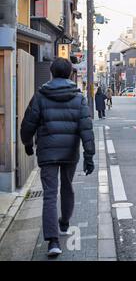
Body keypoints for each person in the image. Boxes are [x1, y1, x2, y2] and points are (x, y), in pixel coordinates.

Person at [20, 57, 95, 257]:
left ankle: (53, 241)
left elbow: (28, 124)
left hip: (47, 152)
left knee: (50, 195)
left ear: (52, 73)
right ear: (71, 73)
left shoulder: (40, 96)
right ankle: (64, 222)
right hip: (70, 152)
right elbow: (86, 128)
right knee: (68, 186)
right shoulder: (78, 98)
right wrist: (89, 155)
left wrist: (27, 143)